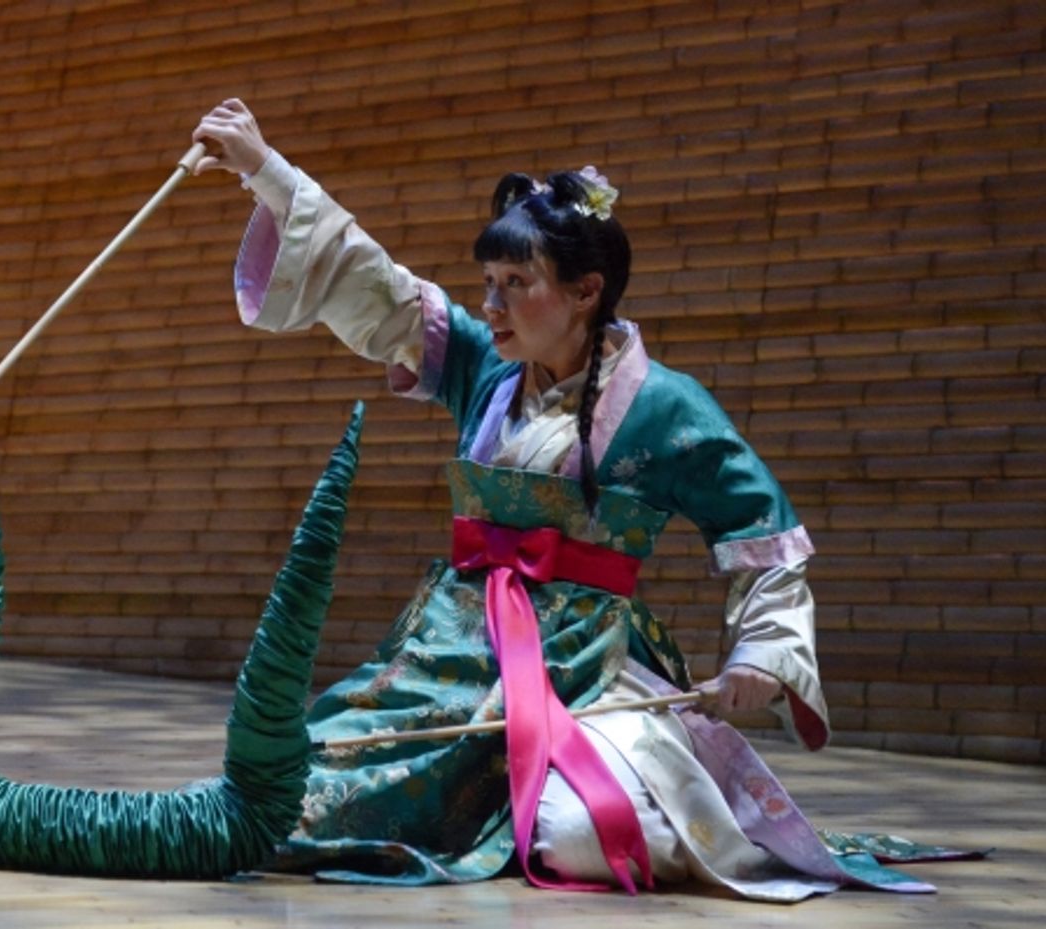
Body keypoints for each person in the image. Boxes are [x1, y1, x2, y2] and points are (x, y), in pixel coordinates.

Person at [187, 99, 945, 901]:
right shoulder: (482, 365)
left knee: (580, 829)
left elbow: (766, 534)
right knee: (307, 787)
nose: (491, 305)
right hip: (450, 652)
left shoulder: (666, 405)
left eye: (518, 284)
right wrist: (264, 170)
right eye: (488, 283)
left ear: (586, 292)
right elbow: (373, 281)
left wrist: (760, 659)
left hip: (589, 668)